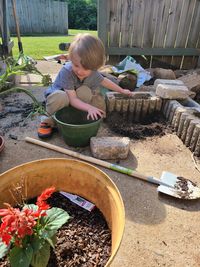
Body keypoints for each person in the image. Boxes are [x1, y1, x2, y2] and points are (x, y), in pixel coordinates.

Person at [38, 33, 132, 138]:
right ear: (71, 59)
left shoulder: (92, 72)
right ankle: (48, 121)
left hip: (73, 102)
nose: (80, 71)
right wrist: (89, 108)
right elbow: (72, 99)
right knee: (62, 97)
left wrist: (122, 91)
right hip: (58, 100)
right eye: (76, 65)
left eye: (86, 68)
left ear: (94, 67)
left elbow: (104, 81)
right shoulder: (67, 71)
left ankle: (72, 116)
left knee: (85, 91)